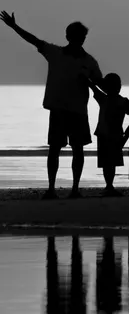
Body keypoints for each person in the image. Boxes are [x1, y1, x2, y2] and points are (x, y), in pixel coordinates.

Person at [0, 11, 102, 199]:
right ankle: (52, 188)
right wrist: (15, 27)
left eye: (82, 37)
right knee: (55, 148)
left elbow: (101, 83)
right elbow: (34, 40)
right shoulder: (55, 53)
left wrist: (91, 82)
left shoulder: (89, 61)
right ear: (68, 37)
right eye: (76, 36)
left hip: (78, 110)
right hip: (59, 109)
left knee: (77, 149)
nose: (79, 40)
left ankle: (75, 189)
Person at [89, 72, 129, 197]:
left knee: (107, 163)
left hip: (106, 134)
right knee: (111, 162)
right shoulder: (121, 101)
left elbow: (92, 87)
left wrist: (88, 78)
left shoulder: (105, 98)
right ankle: (109, 186)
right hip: (112, 135)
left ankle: (109, 186)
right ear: (119, 86)